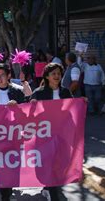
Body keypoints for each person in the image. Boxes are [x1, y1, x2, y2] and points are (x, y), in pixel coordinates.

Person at [0, 64, 26, 201]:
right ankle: (5, 194)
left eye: (2, 75)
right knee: (0, 167)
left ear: (9, 76)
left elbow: (27, 113)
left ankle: (7, 192)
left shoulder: (18, 92)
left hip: (14, 135)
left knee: (12, 166)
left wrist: (18, 108)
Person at [30, 63, 72, 201]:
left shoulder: (65, 92)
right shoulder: (39, 92)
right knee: (48, 164)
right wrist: (32, 104)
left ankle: (49, 187)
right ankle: (52, 192)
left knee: (60, 163)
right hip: (44, 135)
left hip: (61, 135)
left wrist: (81, 102)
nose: (57, 76)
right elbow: (30, 113)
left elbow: (72, 109)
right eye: (53, 74)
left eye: (59, 74)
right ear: (47, 76)